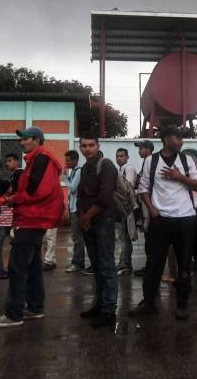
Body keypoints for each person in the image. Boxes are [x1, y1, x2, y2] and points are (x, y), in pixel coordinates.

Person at [0, 127, 64, 328]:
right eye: (21, 139)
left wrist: (12, 200)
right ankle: (35, 307)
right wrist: (10, 199)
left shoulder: (42, 159)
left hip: (33, 218)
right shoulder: (34, 161)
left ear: (38, 140)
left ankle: (14, 314)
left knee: (17, 265)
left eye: (26, 139)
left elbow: (37, 192)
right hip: (33, 217)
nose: (22, 142)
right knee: (32, 265)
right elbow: (29, 190)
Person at [129, 125, 197, 321]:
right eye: (178, 137)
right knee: (154, 263)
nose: (181, 141)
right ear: (167, 138)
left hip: (185, 218)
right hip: (160, 219)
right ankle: (149, 302)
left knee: (184, 263)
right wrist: (152, 210)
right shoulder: (150, 162)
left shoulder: (187, 160)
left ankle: (182, 305)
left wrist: (180, 177)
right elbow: (143, 188)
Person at [76, 136, 119, 328]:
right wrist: (81, 217)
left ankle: (109, 310)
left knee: (107, 264)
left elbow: (105, 197)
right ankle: (100, 304)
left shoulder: (107, 165)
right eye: (83, 146)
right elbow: (81, 195)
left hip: (104, 221)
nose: (87, 149)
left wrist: (87, 217)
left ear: (98, 146)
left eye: (91, 145)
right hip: (89, 223)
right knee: (96, 265)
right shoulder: (85, 168)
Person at [132, 140, 154, 277]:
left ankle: (151, 268)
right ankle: (150, 266)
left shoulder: (149, 161)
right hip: (145, 204)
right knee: (148, 238)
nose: (139, 151)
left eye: (140, 148)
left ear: (147, 149)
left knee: (150, 238)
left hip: (149, 205)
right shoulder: (146, 162)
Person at [115, 148, 137, 276]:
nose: (119, 158)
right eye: (117, 156)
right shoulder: (120, 169)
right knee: (123, 237)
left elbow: (127, 187)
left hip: (125, 207)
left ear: (127, 157)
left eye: (122, 156)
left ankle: (125, 264)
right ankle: (124, 263)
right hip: (122, 207)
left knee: (125, 237)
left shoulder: (128, 168)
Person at [63, 150, 86, 273]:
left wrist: (65, 177)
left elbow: (72, 188)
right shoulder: (74, 171)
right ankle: (77, 262)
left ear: (74, 160)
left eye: (68, 160)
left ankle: (78, 263)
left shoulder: (78, 171)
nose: (66, 163)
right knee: (76, 237)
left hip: (77, 209)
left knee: (77, 238)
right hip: (73, 208)